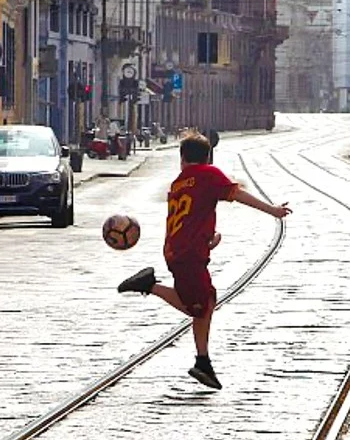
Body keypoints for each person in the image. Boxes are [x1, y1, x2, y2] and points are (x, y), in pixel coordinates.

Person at [117, 131, 292, 390]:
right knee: (198, 307)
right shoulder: (208, 174)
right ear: (207, 157)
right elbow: (237, 193)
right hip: (188, 255)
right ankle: (149, 286)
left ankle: (203, 361)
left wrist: (208, 238)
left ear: (182, 158)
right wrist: (272, 210)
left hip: (180, 251)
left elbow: (189, 218)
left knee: (206, 301)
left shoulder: (179, 183)